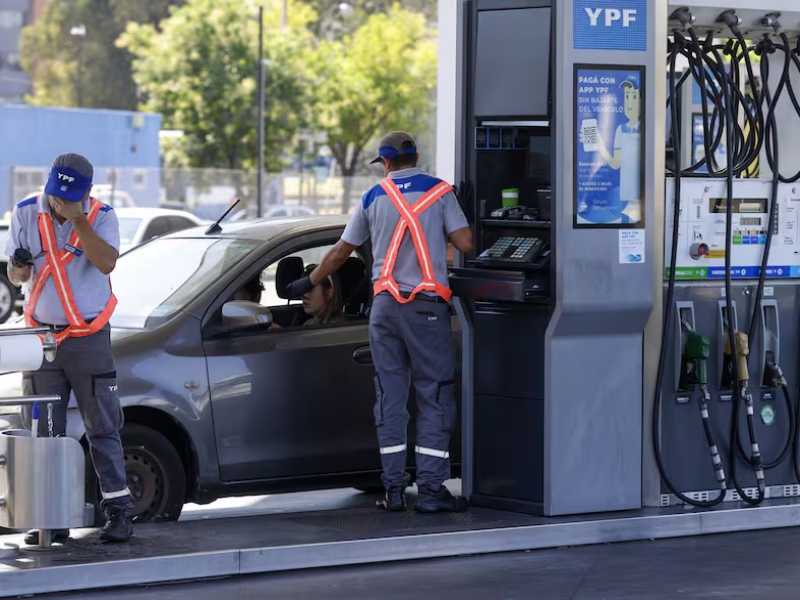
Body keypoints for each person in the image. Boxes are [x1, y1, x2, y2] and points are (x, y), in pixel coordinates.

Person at [284, 131, 474, 513]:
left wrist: (311, 280)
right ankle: (431, 490)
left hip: (384, 308)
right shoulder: (440, 192)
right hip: (425, 309)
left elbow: (341, 252)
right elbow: (466, 243)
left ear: (385, 162)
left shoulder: (373, 197)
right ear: (416, 157)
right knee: (434, 394)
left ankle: (394, 490)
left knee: (390, 397)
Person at [6, 153, 133, 544]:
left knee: (102, 426)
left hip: (88, 339)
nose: (59, 201)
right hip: (41, 342)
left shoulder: (102, 215)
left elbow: (107, 263)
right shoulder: (26, 212)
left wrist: (79, 219)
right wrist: (18, 267)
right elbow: (16, 275)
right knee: (45, 431)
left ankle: (118, 512)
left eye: (70, 195)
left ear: (87, 191)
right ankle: (51, 517)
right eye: (55, 192)